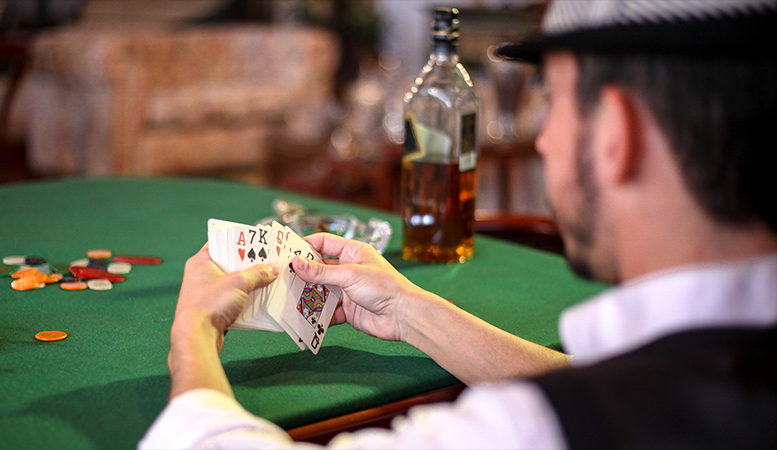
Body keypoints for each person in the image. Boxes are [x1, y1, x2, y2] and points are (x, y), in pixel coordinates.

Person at [140, 0, 777, 447]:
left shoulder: (545, 429)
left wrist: (192, 335)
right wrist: (409, 308)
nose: (548, 142)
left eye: (553, 105)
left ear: (615, 135)